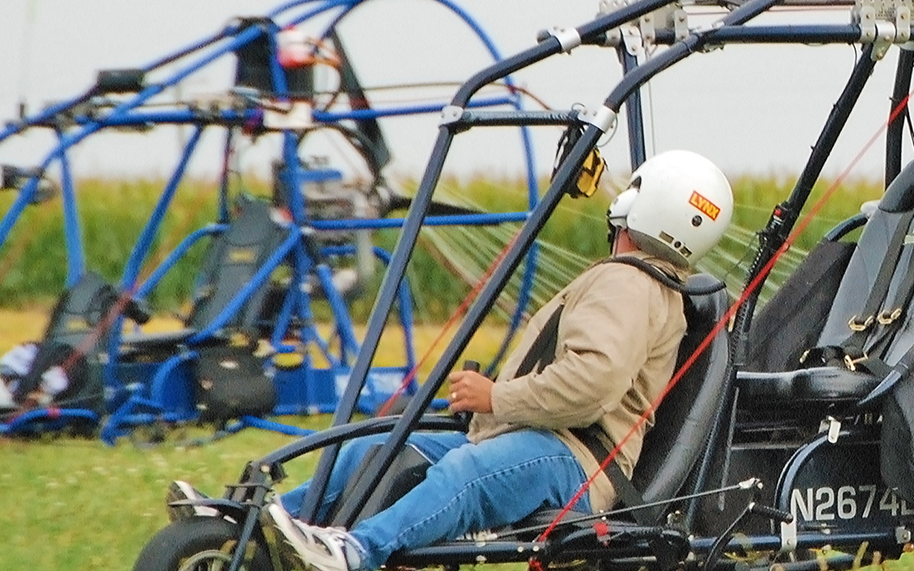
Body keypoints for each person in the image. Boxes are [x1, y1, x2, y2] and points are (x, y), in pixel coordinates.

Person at [264, 150, 736, 571]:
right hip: (541, 439)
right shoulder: (649, 286)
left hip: (573, 458)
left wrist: (495, 396)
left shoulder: (629, 283)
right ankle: (274, 524)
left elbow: (591, 384)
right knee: (374, 451)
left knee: (462, 475)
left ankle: (353, 553)